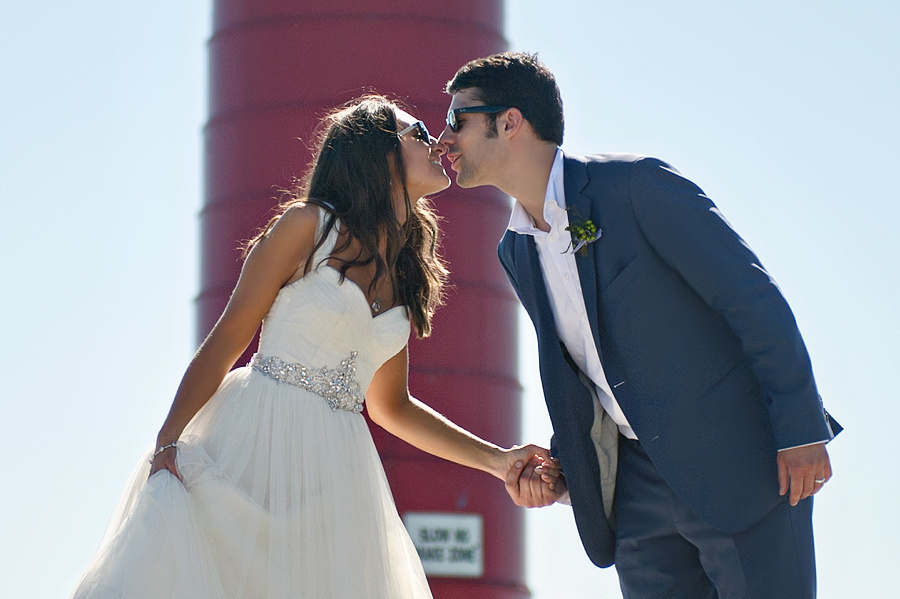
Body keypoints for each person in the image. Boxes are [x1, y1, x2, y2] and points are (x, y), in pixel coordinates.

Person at [70, 95, 555, 599]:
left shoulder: (403, 273)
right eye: (419, 135)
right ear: (379, 153)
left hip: (339, 476)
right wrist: (167, 440)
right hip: (257, 440)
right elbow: (227, 340)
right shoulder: (307, 227)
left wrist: (499, 461)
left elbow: (392, 407)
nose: (436, 143)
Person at [437, 53, 841, 599]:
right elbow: (580, 372)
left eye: (457, 120)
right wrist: (569, 471)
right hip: (635, 500)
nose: (445, 138)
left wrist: (801, 429)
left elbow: (751, 299)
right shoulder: (514, 250)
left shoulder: (634, 186)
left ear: (509, 122)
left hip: (741, 465)